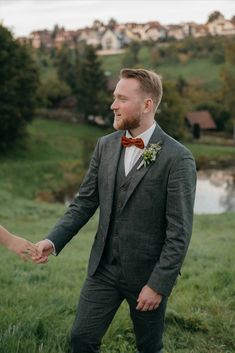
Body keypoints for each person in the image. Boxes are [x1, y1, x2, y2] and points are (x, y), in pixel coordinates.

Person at [35, 68, 197, 353]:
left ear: (147, 105)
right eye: (114, 98)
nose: (113, 105)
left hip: (147, 276)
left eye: (122, 98)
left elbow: (179, 232)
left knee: (149, 347)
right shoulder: (105, 146)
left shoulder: (178, 158)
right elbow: (83, 203)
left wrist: (158, 285)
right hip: (103, 270)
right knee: (81, 340)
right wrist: (52, 240)